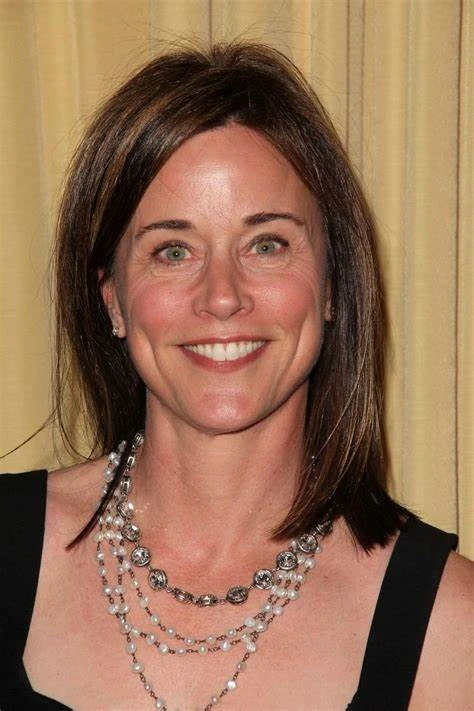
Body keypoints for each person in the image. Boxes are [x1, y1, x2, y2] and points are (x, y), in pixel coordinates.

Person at [0, 42, 471, 711]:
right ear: (112, 299)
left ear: (332, 284)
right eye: (173, 250)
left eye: (266, 244)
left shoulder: (453, 632)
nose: (222, 297)